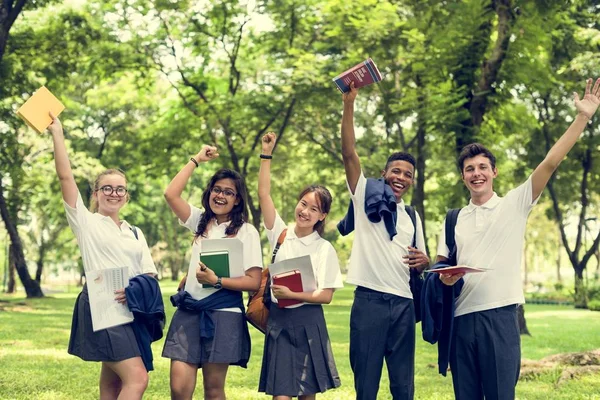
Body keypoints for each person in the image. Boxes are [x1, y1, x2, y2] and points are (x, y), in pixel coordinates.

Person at [435, 78, 600, 400]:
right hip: (461, 320)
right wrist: (445, 279)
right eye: (469, 169)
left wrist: (582, 117)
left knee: (500, 395)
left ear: (494, 172)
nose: (476, 173)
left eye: (483, 166)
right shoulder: (453, 219)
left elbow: (550, 162)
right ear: (463, 177)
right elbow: (441, 270)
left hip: (500, 316)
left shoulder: (515, 203)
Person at [48, 114, 159, 400]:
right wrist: (57, 133)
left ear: (126, 196)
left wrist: (135, 291)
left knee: (112, 383)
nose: (113, 193)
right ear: (95, 194)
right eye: (106, 188)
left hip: (129, 308)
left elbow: (148, 274)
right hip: (101, 305)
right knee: (137, 378)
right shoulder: (85, 222)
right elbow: (65, 176)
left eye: (120, 188)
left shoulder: (135, 232)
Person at [340, 82, 430, 400]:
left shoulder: (413, 217)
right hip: (370, 303)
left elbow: (421, 261)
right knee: (366, 386)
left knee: (403, 387)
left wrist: (426, 261)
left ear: (411, 180)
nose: (401, 178)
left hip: (404, 305)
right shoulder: (365, 195)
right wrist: (349, 103)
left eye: (407, 174)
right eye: (396, 171)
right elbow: (349, 153)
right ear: (384, 172)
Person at [161, 145, 263, 400]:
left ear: (237, 199)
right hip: (189, 311)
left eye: (229, 192)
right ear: (209, 192)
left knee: (214, 390)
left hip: (224, 315)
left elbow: (254, 282)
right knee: (178, 389)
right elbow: (171, 194)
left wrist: (216, 280)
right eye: (217, 189)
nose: (221, 196)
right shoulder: (199, 221)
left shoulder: (246, 232)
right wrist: (196, 160)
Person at [257, 132, 343, 399]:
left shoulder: (324, 248)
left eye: (314, 209)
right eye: (303, 204)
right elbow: (263, 193)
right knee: (280, 395)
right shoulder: (280, 233)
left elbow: (326, 296)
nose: (305, 212)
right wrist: (266, 153)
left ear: (322, 216)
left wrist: (293, 295)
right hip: (280, 322)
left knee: (307, 394)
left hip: (309, 324)